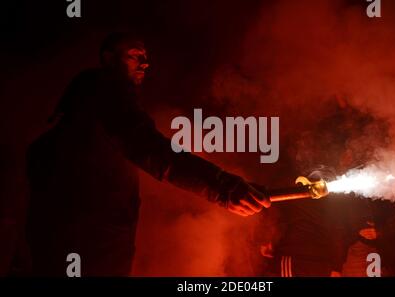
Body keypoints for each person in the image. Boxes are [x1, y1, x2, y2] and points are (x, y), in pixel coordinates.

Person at [26, 32, 270, 276]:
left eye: (145, 57)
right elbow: (152, 150)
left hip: (78, 234)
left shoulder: (82, 104)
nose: (145, 63)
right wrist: (224, 188)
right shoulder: (106, 88)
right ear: (108, 58)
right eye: (134, 56)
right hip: (89, 238)